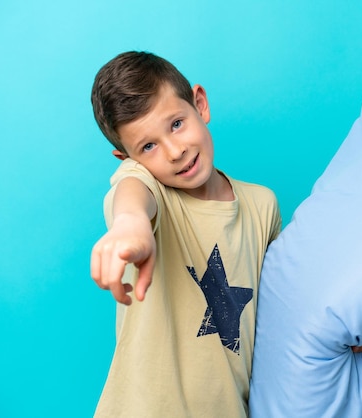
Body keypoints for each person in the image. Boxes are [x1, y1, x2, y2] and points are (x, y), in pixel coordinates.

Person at [89, 51, 282, 417]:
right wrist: (131, 224)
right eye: (148, 147)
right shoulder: (148, 190)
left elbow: (283, 307)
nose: (174, 151)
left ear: (200, 104)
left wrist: (340, 335)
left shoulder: (262, 206)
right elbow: (131, 196)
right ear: (127, 158)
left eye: (176, 124)